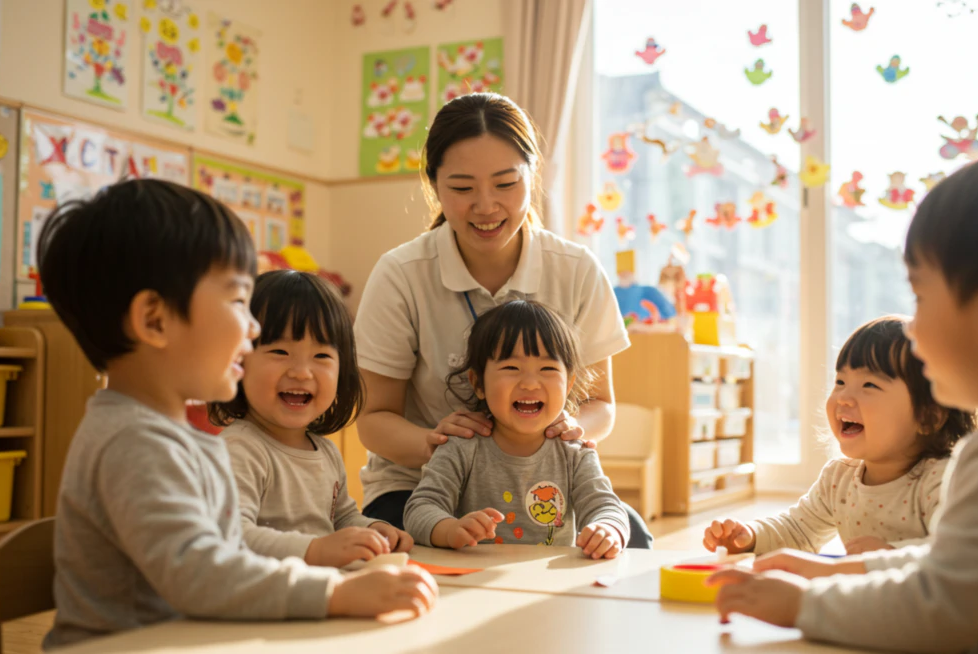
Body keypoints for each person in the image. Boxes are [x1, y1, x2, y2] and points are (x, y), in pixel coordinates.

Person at [710, 145, 978, 652]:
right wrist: (838, 569)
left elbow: (938, 606)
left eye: (920, 297)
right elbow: (951, 559)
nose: (912, 329)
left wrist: (803, 605)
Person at [38, 180, 436, 649]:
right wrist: (335, 592)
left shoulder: (165, 436)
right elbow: (202, 574)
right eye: (236, 302)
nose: (251, 331)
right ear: (154, 320)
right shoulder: (134, 444)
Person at [354, 93, 652, 548]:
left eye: (505, 183)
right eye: (462, 187)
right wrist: (436, 443)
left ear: (532, 177)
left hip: (539, 483)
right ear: (434, 185)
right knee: (410, 554)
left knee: (630, 538)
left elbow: (600, 404)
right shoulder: (401, 274)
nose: (486, 205)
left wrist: (574, 430)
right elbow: (374, 419)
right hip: (419, 487)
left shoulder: (575, 269)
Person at [704, 316, 975, 556]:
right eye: (840, 382)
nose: (843, 398)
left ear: (927, 417)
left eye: (869, 384)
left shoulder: (940, 479)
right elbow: (798, 530)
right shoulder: (839, 479)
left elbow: (955, 550)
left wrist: (891, 553)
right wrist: (749, 536)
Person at [210, 270, 413, 568]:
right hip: (267, 598)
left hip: (321, 592)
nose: (302, 372)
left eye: (321, 356)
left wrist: (371, 529)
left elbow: (342, 516)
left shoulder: (325, 451)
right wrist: (315, 550)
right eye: (280, 351)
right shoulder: (240, 449)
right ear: (239, 360)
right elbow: (232, 534)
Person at [404, 300, 630, 558]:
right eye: (511, 368)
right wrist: (449, 529)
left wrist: (608, 529)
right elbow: (420, 508)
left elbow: (606, 506)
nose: (531, 384)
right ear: (478, 383)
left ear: (568, 384)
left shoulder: (575, 454)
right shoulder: (461, 446)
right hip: (474, 581)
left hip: (551, 584)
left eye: (548, 369)